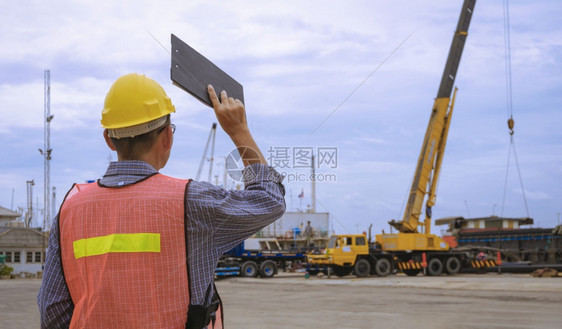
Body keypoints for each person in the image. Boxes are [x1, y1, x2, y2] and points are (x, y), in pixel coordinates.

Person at [37, 73, 286, 329]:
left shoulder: (70, 210)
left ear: (109, 139)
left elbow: (53, 310)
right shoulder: (191, 202)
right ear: (167, 137)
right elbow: (268, 200)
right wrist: (239, 130)